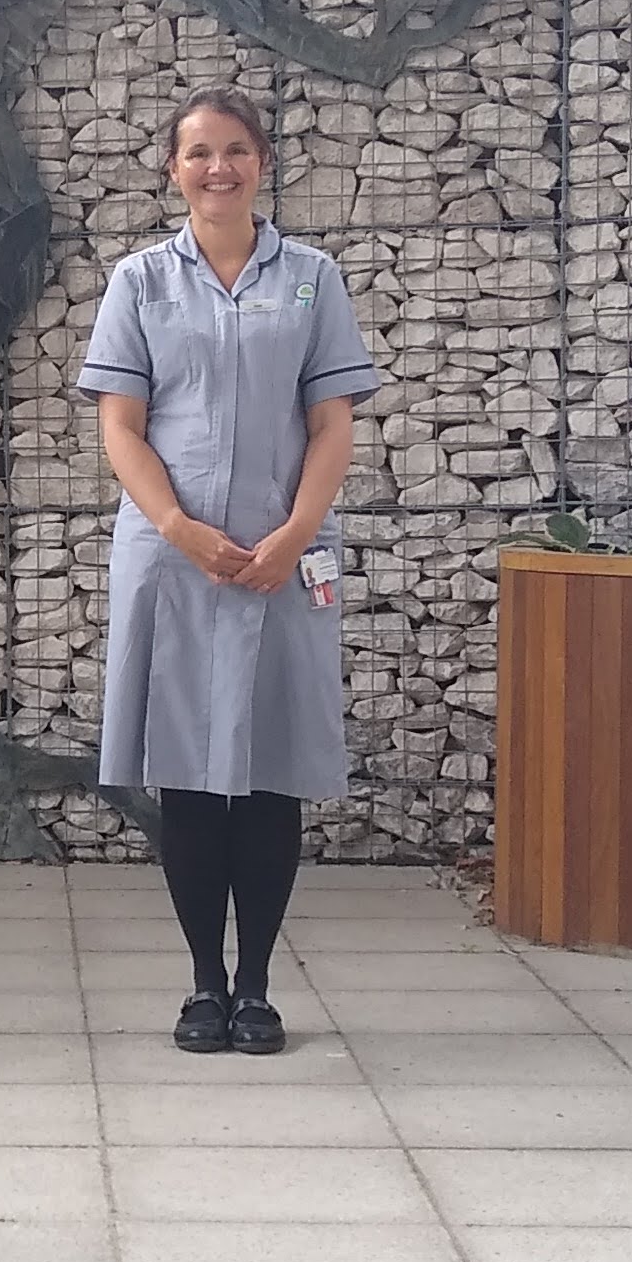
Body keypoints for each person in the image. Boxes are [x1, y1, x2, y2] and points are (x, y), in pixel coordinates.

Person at [80, 93, 377, 1052]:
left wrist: (296, 531)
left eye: (236, 151)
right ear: (173, 169)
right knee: (188, 775)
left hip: (276, 556)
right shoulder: (139, 281)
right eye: (199, 153)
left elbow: (331, 423)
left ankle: (257, 986)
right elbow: (120, 426)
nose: (219, 168)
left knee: (267, 773)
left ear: (263, 162)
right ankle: (203, 984)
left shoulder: (312, 279)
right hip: (174, 558)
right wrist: (177, 527)